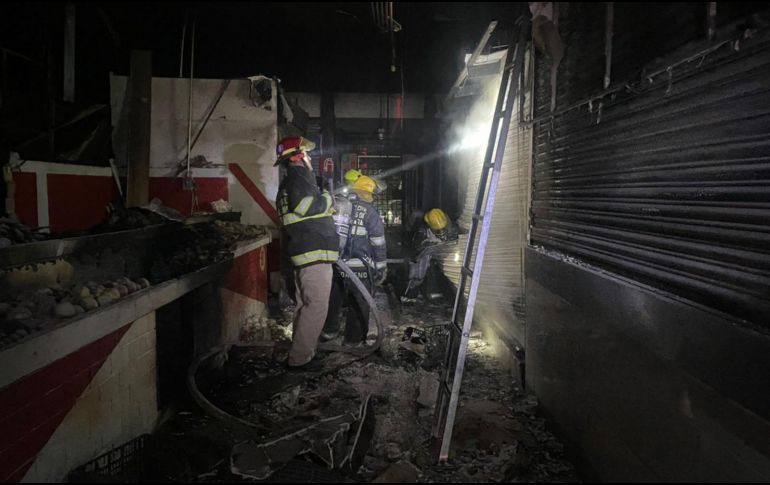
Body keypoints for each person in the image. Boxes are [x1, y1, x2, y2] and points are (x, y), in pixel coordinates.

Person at [275, 136, 339, 368]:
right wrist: (327, 199)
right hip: (314, 254)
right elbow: (304, 207)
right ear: (298, 156)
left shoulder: (287, 183)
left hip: (303, 254)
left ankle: (301, 351)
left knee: (305, 305)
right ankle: (301, 359)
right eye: (307, 153)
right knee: (316, 306)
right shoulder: (299, 177)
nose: (310, 158)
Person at [322, 175, 387, 344]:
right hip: (360, 267)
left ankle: (329, 331)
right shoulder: (370, 212)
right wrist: (381, 268)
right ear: (369, 194)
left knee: (333, 298)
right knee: (360, 302)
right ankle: (354, 340)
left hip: (337, 264)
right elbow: (378, 243)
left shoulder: (339, 206)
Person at [406, 208, 458, 298]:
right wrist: (428, 245)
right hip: (428, 250)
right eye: (437, 230)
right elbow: (417, 249)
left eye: (443, 229)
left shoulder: (449, 223)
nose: (441, 232)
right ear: (429, 225)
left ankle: (449, 292)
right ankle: (412, 291)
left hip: (445, 252)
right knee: (418, 269)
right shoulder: (422, 231)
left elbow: (455, 237)